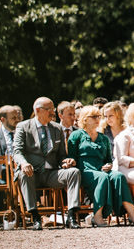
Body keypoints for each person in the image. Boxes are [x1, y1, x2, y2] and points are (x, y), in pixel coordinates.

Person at [12, 97, 82, 230]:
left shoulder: (57, 128)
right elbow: (17, 151)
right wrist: (23, 163)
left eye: (53, 109)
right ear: (38, 110)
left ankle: (72, 216)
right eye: (49, 109)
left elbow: (61, 155)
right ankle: (35, 217)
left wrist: (66, 161)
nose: (53, 112)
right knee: (24, 174)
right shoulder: (23, 127)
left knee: (74, 172)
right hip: (33, 173)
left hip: (52, 173)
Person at [69, 106, 134, 226]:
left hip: (101, 169)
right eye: (94, 117)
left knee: (118, 176)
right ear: (85, 119)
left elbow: (108, 160)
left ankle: (132, 214)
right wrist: (70, 162)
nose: (98, 119)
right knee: (102, 177)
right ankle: (98, 215)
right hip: (85, 170)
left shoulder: (103, 138)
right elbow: (72, 157)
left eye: (99, 117)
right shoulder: (76, 135)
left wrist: (109, 165)